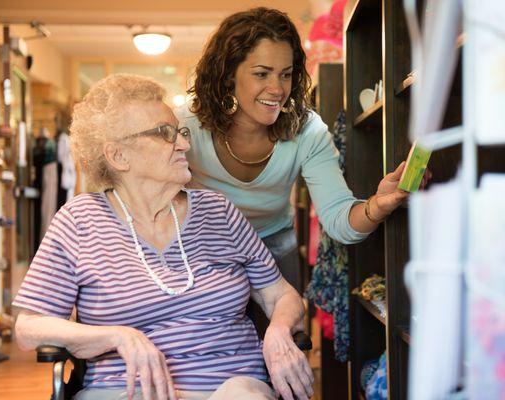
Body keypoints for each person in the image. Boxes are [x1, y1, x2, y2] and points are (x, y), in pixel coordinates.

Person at [13, 74, 313, 400]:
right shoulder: (79, 221)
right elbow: (29, 328)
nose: (184, 143)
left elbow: (281, 296)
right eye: (164, 134)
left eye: (180, 132)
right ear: (117, 156)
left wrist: (279, 331)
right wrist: (117, 336)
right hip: (127, 391)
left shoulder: (219, 212)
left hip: (232, 387)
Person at [177, 7, 429, 294]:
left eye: (285, 75)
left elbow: (339, 221)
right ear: (228, 75)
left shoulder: (307, 130)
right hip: (204, 251)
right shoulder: (185, 127)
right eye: (262, 74)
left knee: (284, 334)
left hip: (274, 249)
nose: (277, 88)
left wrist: (378, 204)